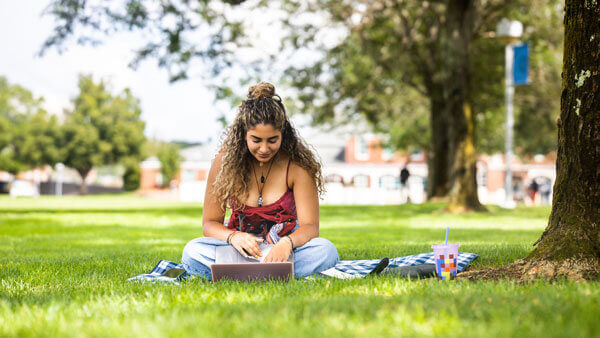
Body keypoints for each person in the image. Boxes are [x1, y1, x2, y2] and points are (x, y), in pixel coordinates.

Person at [181, 82, 339, 279]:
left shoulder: (297, 167)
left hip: (285, 252)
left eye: (272, 140)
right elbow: (210, 224)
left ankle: (244, 274)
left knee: (326, 250)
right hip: (240, 251)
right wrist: (234, 237)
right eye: (256, 140)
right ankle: (274, 274)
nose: (264, 149)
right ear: (243, 135)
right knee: (192, 251)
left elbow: (310, 227)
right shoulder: (224, 164)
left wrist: (286, 243)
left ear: (284, 134)